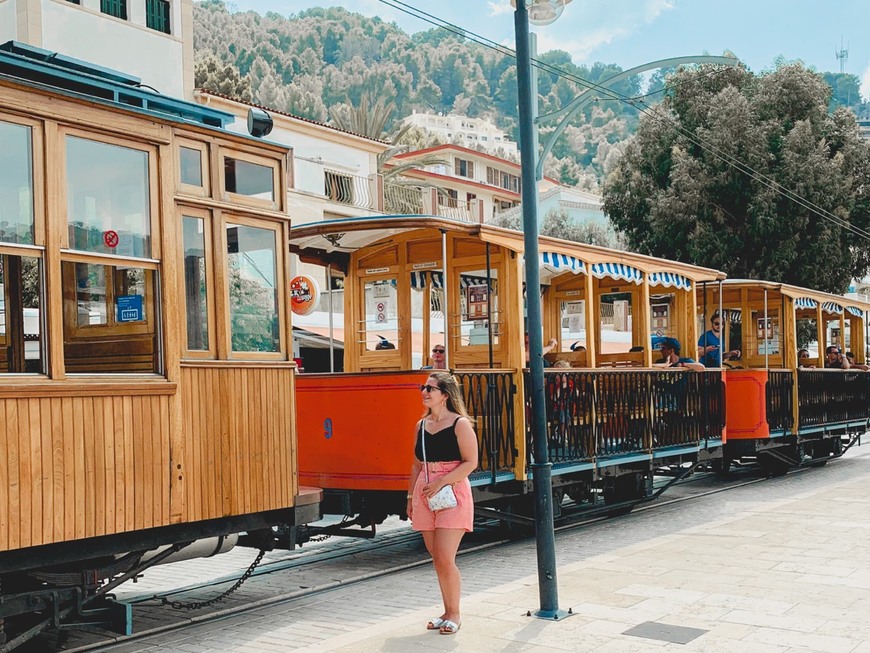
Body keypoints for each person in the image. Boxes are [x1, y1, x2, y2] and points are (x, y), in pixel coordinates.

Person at [407, 371, 478, 635]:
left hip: (451, 491)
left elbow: (471, 462)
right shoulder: (421, 426)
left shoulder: (460, 424)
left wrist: (442, 482)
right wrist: (409, 497)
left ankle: (455, 614)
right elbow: (415, 465)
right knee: (437, 558)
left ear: (445, 395)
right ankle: (446, 611)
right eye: (423, 388)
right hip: (425, 492)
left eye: (430, 389)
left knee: (446, 558)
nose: (424, 392)